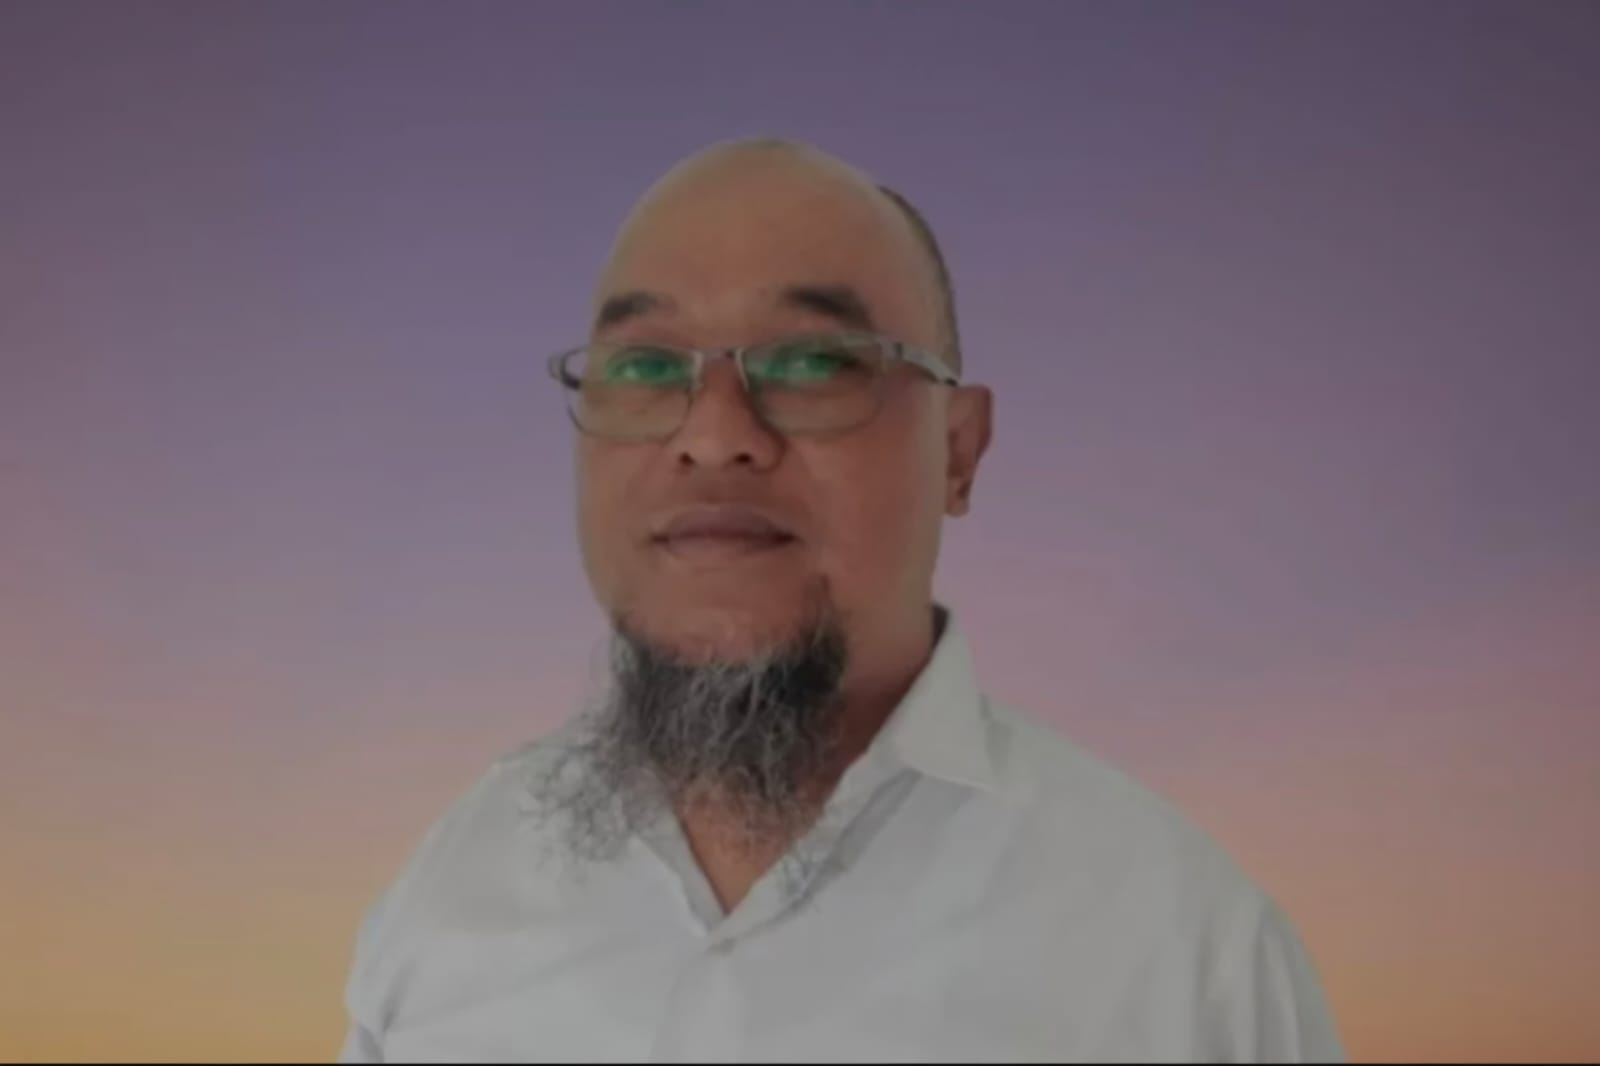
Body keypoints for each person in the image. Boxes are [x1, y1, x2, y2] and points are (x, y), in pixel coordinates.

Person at [336, 137, 1344, 1063]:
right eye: (644, 365)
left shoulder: (1185, 962)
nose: (713, 434)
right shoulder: (454, 890)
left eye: (812, 362)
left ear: (958, 451)